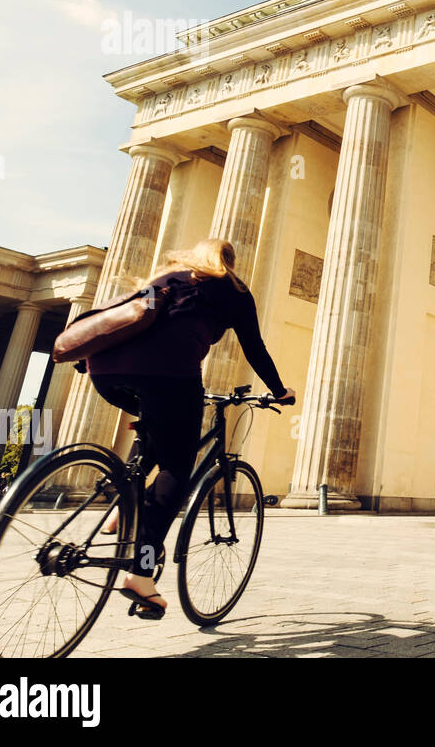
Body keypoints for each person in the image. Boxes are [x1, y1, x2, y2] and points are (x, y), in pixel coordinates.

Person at [87, 238, 293, 619]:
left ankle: (125, 501)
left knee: (158, 428)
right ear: (228, 262)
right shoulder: (233, 288)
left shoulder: (168, 276)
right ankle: (141, 576)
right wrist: (280, 391)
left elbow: (123, 317)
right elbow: (255, 347)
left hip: (104, 368)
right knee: (176, 470)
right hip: (168, 372)